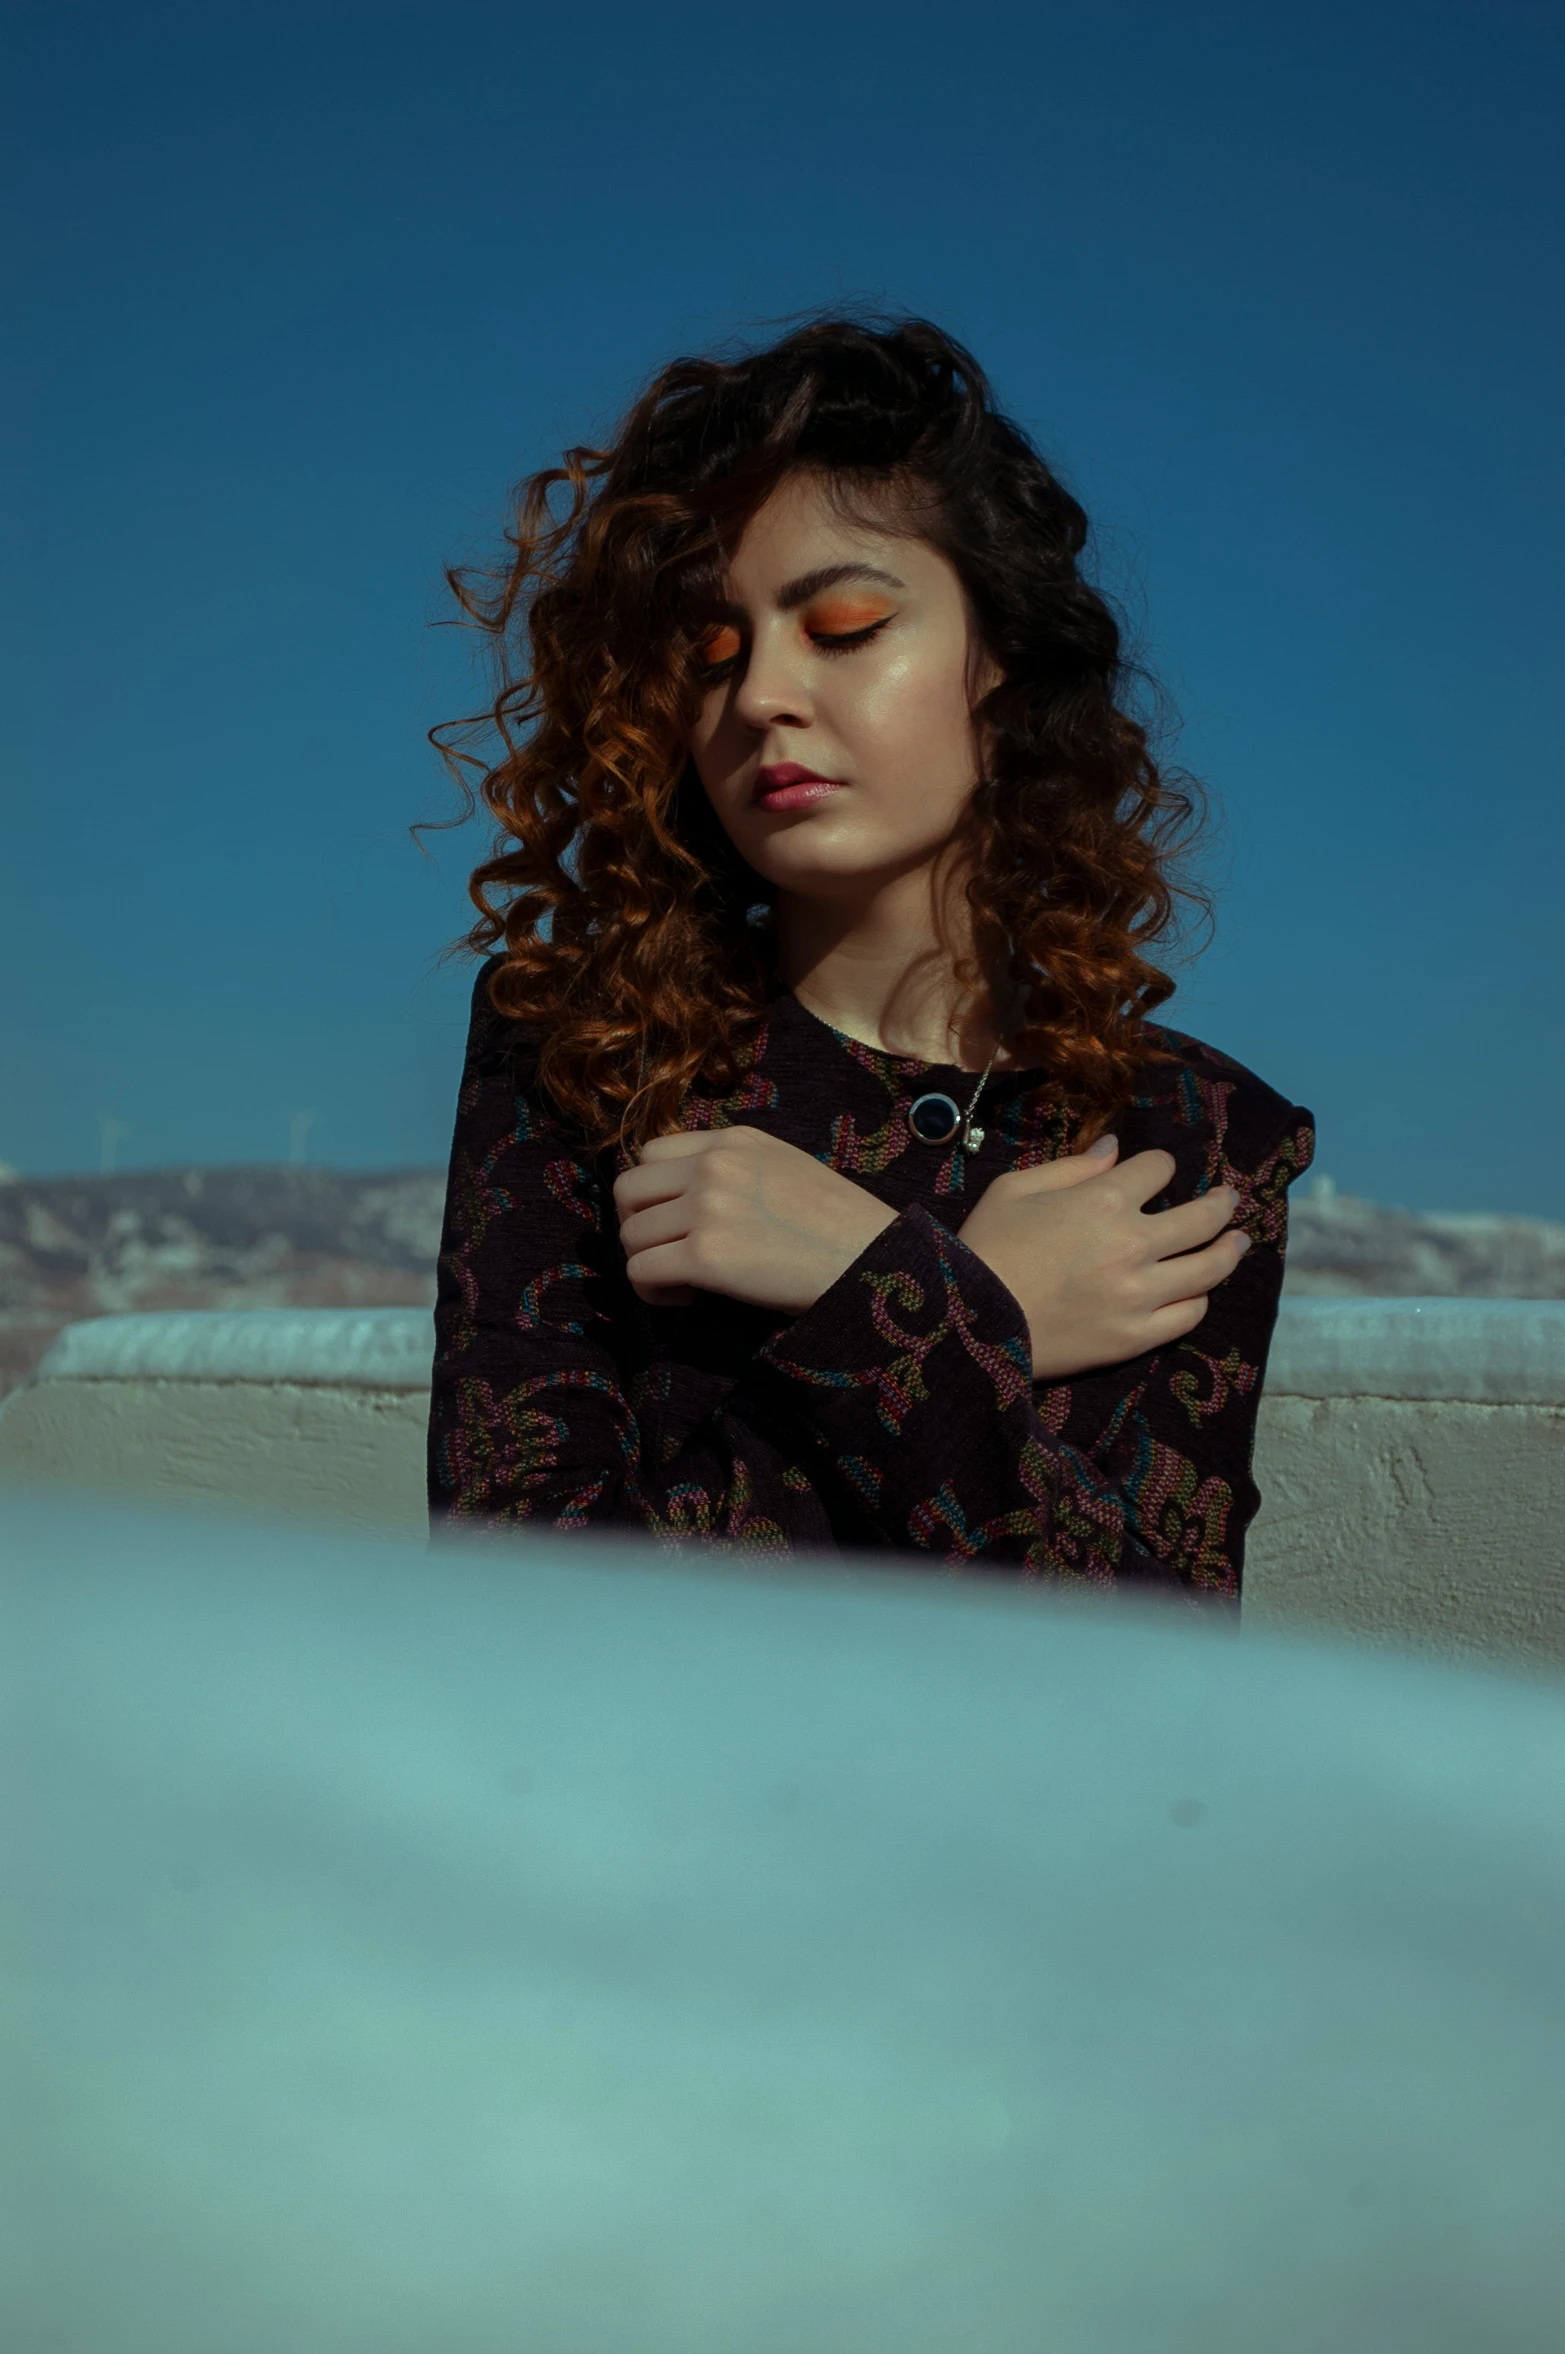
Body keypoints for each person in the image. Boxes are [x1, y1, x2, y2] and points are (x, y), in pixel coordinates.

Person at [426, 317, 1314, 1595]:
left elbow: (1144, 1646)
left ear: (999, 665)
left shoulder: (1189, 1135)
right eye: (711, 656)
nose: (762, 697)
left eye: (840, 624)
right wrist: (965, 1309)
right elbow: (526, 1607)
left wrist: (864, 1276)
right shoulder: (581, 1051)